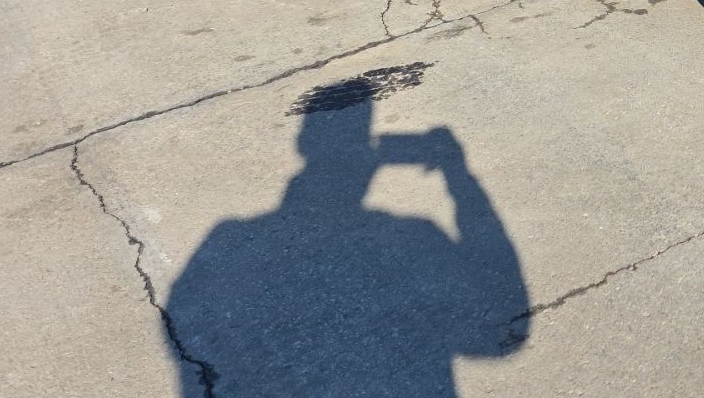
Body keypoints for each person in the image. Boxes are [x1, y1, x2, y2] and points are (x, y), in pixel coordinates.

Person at [165, 76, 528, 395]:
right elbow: (498, 336)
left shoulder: (227, 240)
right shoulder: (414, 234)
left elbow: (191, 339)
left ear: (302, 145)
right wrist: (458, 176)